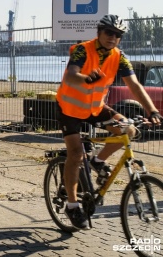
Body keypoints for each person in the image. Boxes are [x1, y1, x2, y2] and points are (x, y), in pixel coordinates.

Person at [55, 14, 162, 230]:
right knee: (75, 154)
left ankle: (98, 160)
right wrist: (86, 79)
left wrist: (152, 110)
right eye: (109, 33)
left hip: (95, 108)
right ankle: (73, 205)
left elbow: (134, 85)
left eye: (118, 35)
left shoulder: (118, 57)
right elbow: (70, 76)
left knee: (129, 130)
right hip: (69, 109)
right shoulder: (83, 50)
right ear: (99, 33)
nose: (113, 37)